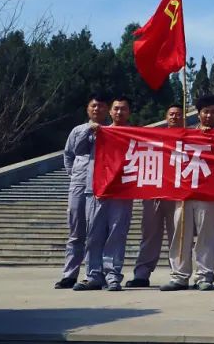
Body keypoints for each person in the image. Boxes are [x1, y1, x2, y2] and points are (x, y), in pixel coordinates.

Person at [161, 95, 214, 291]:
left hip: (210, 194)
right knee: (180, 235)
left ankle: (204, 275)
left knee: (206, 236)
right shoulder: (185, 134)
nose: (209, 115)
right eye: (205, 112)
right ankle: (179, 276)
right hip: (185, 192)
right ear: (198, 114)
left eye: (213, 112)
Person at [75, 96, 135, 291]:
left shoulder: (135, 135)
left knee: (117, 234)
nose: (119, 112)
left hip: (122, 191)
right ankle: (93, 275)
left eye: (123, 109)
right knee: (93, 235)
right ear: (110, 111)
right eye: (116, 108)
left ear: (129, 112)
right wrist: (88, 131)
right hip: (97, 190)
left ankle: (113, 276)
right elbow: (77, 151)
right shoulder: (98, 132)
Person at [125, 104, 183, 288]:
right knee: (149, 235)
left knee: (178, 237)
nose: (174, 117)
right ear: (166, 117)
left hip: (177, 196)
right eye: (171, 114)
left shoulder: (189, 137)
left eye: (178, 114)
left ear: (183, 118)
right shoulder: (155, 137)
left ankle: (178, 274)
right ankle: (142, 274)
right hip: (154, 193)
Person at [56, 93, 108, 290]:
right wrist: (74, 173)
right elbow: (69, 154)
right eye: (94, 106)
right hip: (79, 183)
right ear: (88, 109)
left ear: (107, 110)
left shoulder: (111, 131)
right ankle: (69, 274)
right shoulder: (78, 130)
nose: (97, 109)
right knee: (76, 231)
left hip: (101, 184)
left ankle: (94, 273)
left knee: (96, 233)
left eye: (101, 106)